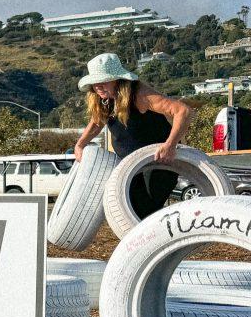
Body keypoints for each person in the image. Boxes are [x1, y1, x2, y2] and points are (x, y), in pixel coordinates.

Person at [72, 53, 194, 219]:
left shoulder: (139, 94)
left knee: (146, 213)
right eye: (95, 83)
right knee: (129, 213)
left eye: (103, 81)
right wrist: (80, 144)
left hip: (157, 162)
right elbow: (96, 123)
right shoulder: (103, 99)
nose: (98, 86)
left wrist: (170, 145)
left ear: (117, 79)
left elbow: (183, 111)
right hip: (129, 166)